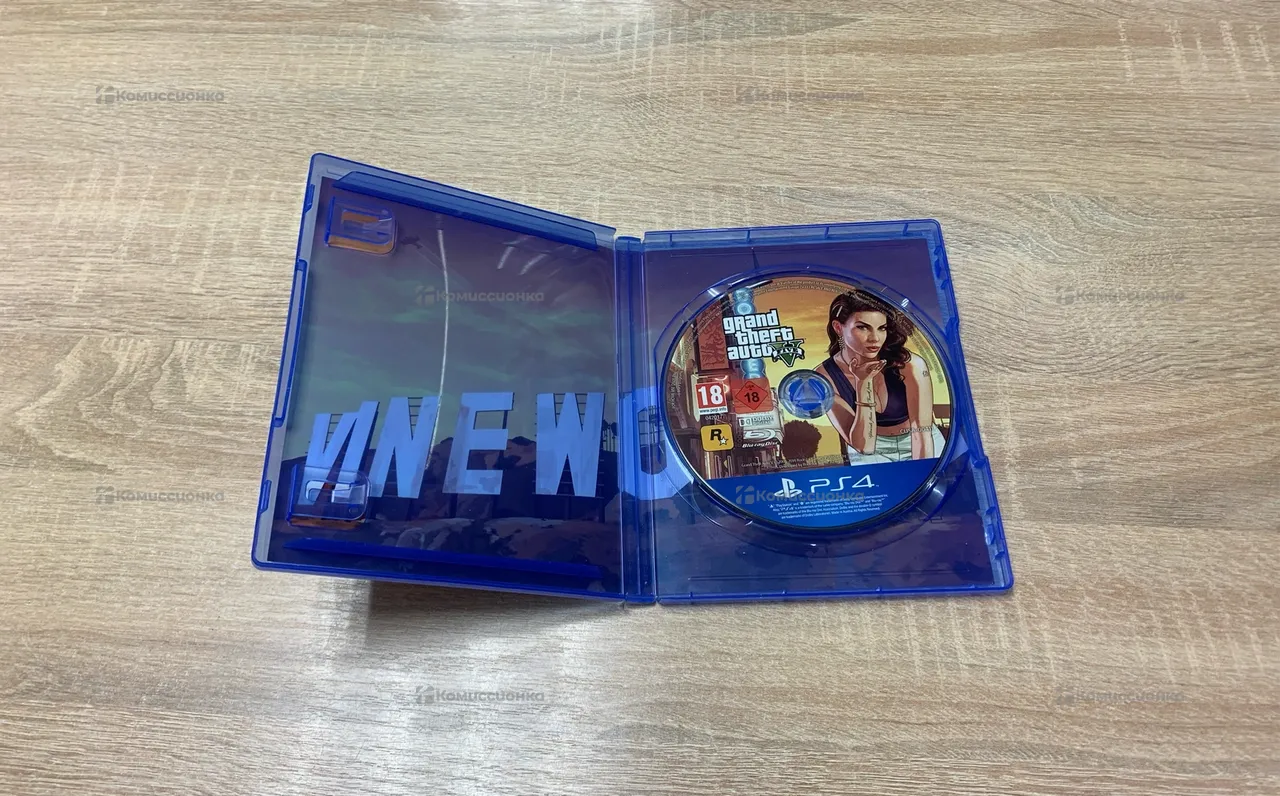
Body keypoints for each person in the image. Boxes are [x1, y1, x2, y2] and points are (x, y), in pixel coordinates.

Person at [816, 290, 945, 464]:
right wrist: (863, 383)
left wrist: (924, 473)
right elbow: (865, 447)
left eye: (881, 328)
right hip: (871, 451)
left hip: (921, 441)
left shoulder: (910, 365)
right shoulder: (824, 377)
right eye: (862, 327)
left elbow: (921, 431)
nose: (875, 338)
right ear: (838, 328)